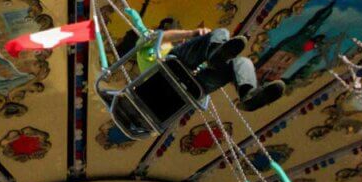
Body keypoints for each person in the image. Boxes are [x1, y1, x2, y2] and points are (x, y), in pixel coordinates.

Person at [114, 18, 285, 111]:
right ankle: (215, 53)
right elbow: (161, 36)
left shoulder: (149, 61)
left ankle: (248, 94)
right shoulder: (144, 49)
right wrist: (193, 33)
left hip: (194, 87)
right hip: (174, 68)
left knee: (242, 62)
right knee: (221, 32)